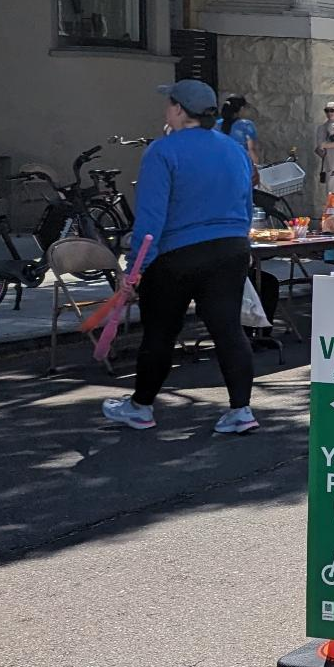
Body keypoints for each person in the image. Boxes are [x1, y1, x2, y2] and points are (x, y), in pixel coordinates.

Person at [102, 80, 259, 435]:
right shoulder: (234, 149)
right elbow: (246, 205)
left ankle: (141, 408)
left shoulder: (162, 151)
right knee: (229, 330)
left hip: (178, 254)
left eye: (168, 103)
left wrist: (135, 269)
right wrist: (239, 243)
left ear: (178, 110)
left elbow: (150, 220)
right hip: (230, 248)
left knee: (159, 332)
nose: (165, 110)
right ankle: (241, 411)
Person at [218, 94, 261, 180]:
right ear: (241, 109)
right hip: (240, 170)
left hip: (219, 169)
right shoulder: (246, 126)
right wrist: (256, 168)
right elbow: (252, 149)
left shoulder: (216, 125)